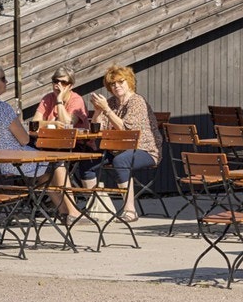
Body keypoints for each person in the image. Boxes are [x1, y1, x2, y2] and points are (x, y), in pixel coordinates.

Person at [87, 64, 160, 223]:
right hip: (116, 149)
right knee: (87, 161)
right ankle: (98, 208)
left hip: (145, 149)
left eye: (121, 82)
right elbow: (97, 128)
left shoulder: (137, 101)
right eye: (113, 84)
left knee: (122, 161)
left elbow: (126, 129)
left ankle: (130, 211)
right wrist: (98, 111)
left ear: (129, 82)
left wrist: (106, 110)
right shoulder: (111, 102)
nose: (116, 86)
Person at [34, 68, 90, 132]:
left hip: (77, 141)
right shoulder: (48, 98)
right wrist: (52, 124)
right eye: (56, 81)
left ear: (70, 86)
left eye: (63, 83)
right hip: (52, 139)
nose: (58, 85)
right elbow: (34, 124)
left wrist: (59, 100)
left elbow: (67, 125)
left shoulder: (77, 100)